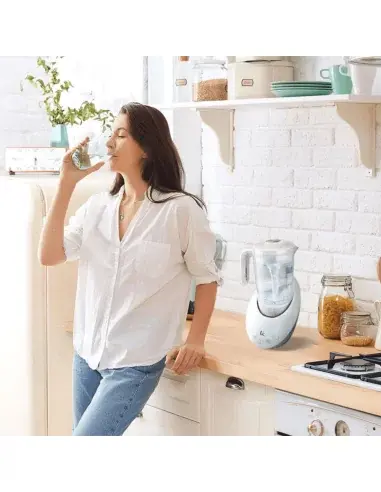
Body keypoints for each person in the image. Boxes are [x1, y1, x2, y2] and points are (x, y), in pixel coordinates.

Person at [38, 102, 221, 436]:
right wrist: (66, 185)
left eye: (121, 135)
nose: (109, 144)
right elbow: (49, 255)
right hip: (88, 356)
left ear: (147, 148)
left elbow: (207, 278)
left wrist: (196, 340)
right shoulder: (97, 207)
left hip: (134, 363)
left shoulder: (180, 211)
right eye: (111, 135)